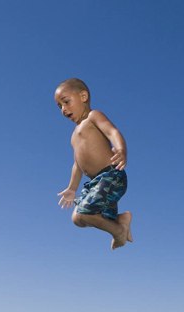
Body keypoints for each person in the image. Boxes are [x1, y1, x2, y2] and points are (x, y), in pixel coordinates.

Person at [54, 78, 133, 250]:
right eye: (59, 106)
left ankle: (118, 231)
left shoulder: (93, 117)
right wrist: (72, 188)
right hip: (95, 184)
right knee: (77, 218)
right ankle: (120, 220)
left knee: (84, 213)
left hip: (111, 177)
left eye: (66, 102)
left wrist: (121, 150)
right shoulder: (74, 136)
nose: (63, 109)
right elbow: (77, 164)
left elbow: (112, 131)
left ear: (83, 96)